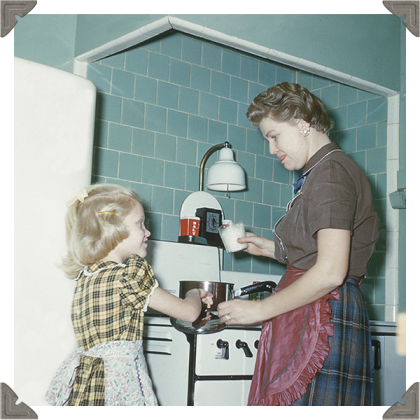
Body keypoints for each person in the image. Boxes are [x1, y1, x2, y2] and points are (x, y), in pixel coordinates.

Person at [217, 82, 379, 406]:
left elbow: (331, 271)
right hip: (324, 309)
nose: (271, 148)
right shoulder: (325, 169)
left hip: (324, 312)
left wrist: (260, 310)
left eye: (273, 136)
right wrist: (273, 249)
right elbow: (321, 251)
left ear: (302, 121)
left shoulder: (329, 173)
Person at [45, 184, 213, 406]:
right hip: (119, 383)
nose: (148, 232)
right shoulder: (129, 275)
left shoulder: (86, 277)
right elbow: (189, 312)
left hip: (89, 384)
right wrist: (194, 292)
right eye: (140, 223)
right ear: (112, 229)